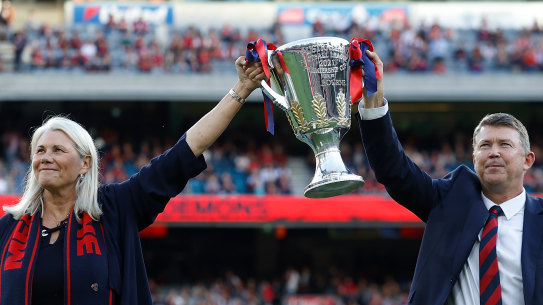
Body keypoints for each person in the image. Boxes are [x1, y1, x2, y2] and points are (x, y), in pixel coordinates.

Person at [0, 56, 265, 305]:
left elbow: (184, 152)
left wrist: (240, 89)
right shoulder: (7, 229)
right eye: (40, 150)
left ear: (85, 163)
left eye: (58, 150)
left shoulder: (115, 208)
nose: (45, 157)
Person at [354, 50, 543, 304]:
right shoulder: (449, 200)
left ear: (528, 160)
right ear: (474, 158)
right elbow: (393, 170)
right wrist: (374, 103)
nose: (494, 152)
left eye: (505, 145)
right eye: (485, 145)